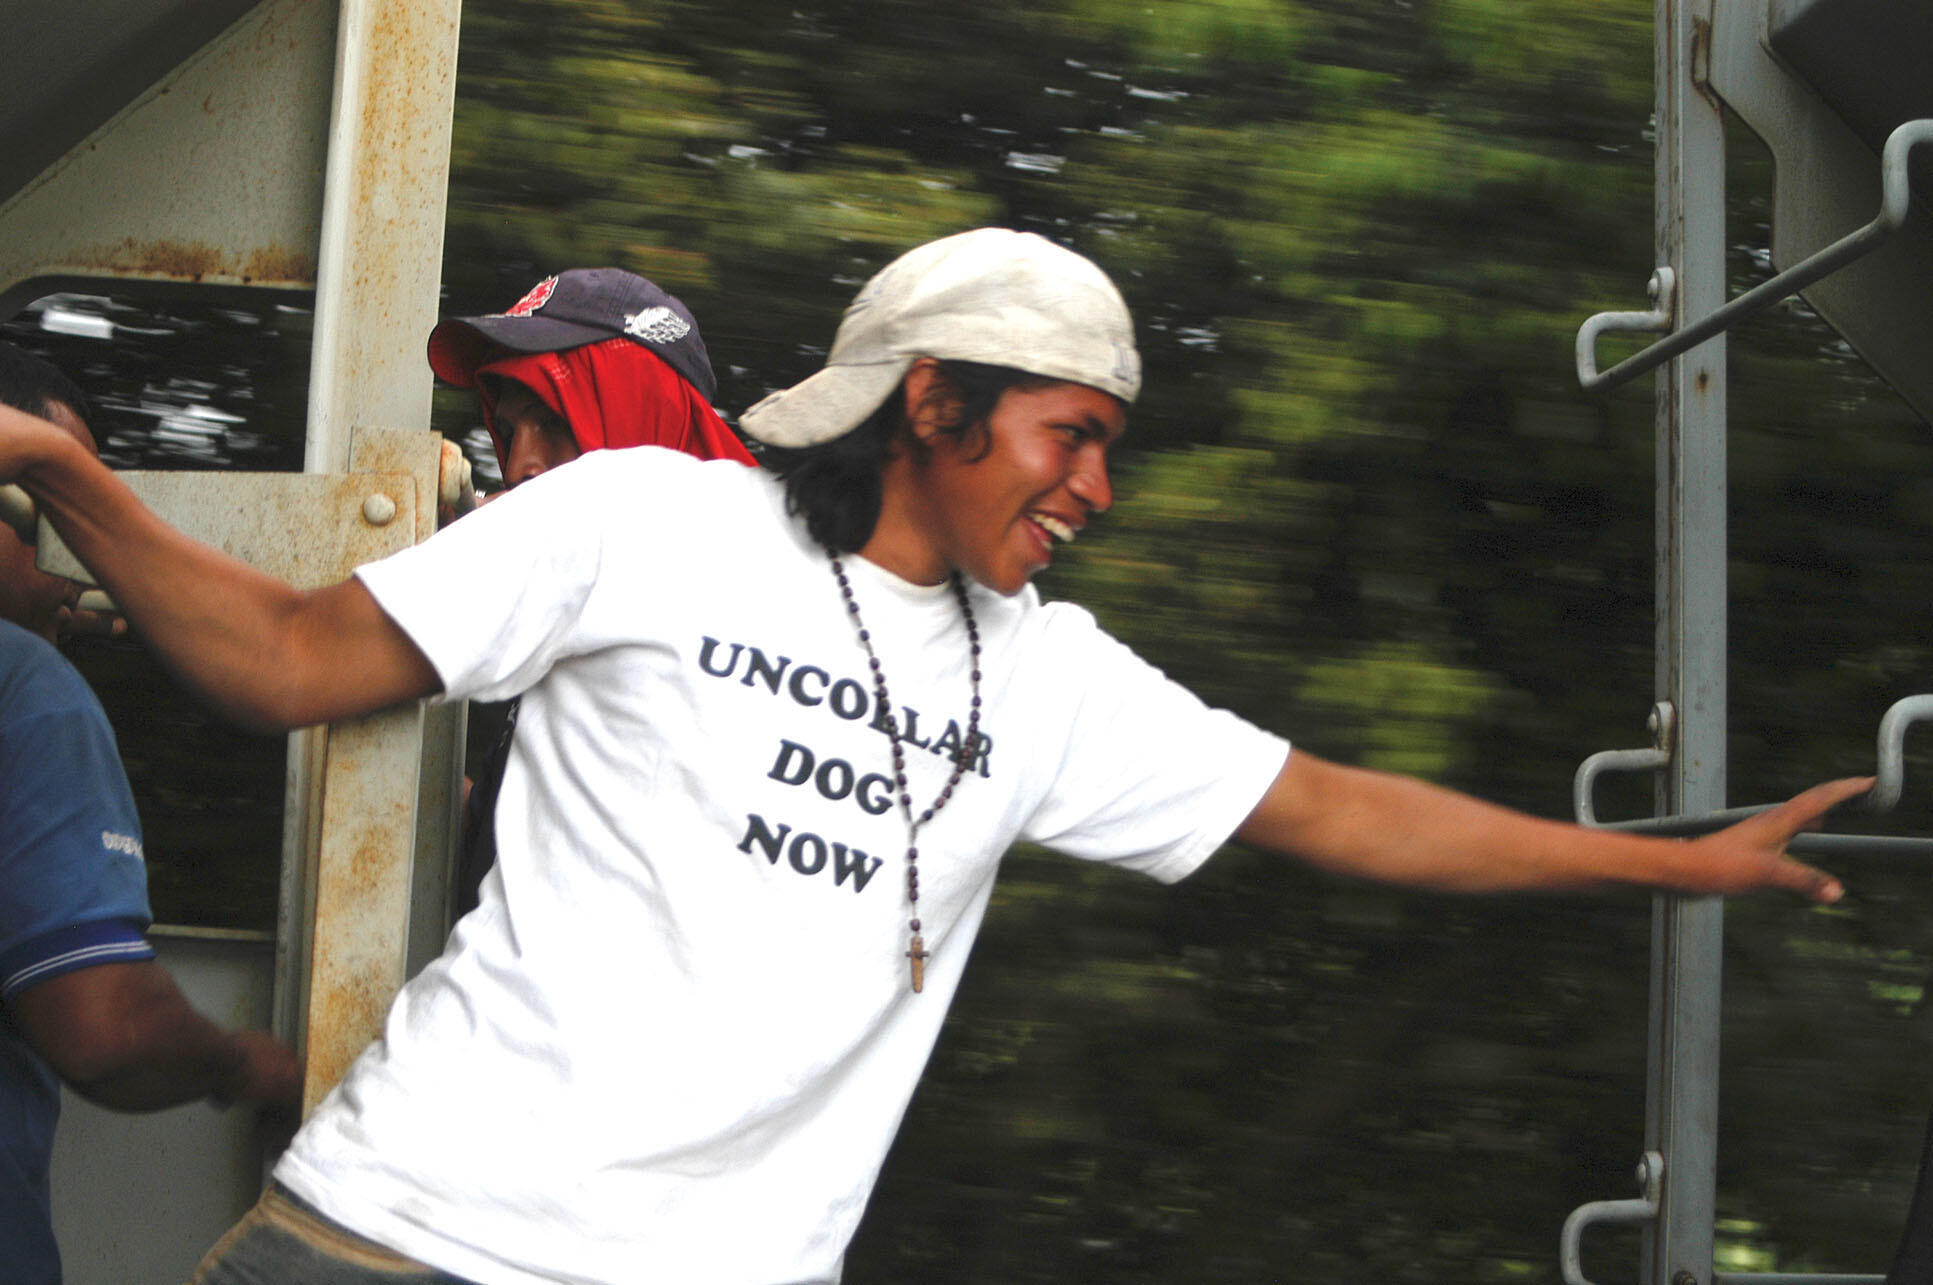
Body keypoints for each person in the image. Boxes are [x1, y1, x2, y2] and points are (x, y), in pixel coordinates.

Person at [0, 229, 1866, 1285]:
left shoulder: (1050, 683)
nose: (1095, 488)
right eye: (1069, 434)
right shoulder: (646, 521)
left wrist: (1667, 863)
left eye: (1112, 447)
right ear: (931, 398)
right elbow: (282, 662)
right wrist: (71, 476)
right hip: (398, 1242)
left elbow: (1340, 809)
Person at [0, 342, 301, 1285]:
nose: (82, 561)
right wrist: (239, 1062)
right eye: (58, 511)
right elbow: (102, 1026)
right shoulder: (28, 691)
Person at [426, 268, 756, 918]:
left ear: (643, 416)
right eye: (511, 430)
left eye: (555, 421)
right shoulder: (595, 624)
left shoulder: (735, 630)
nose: (519, 464)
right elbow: (536, 838)